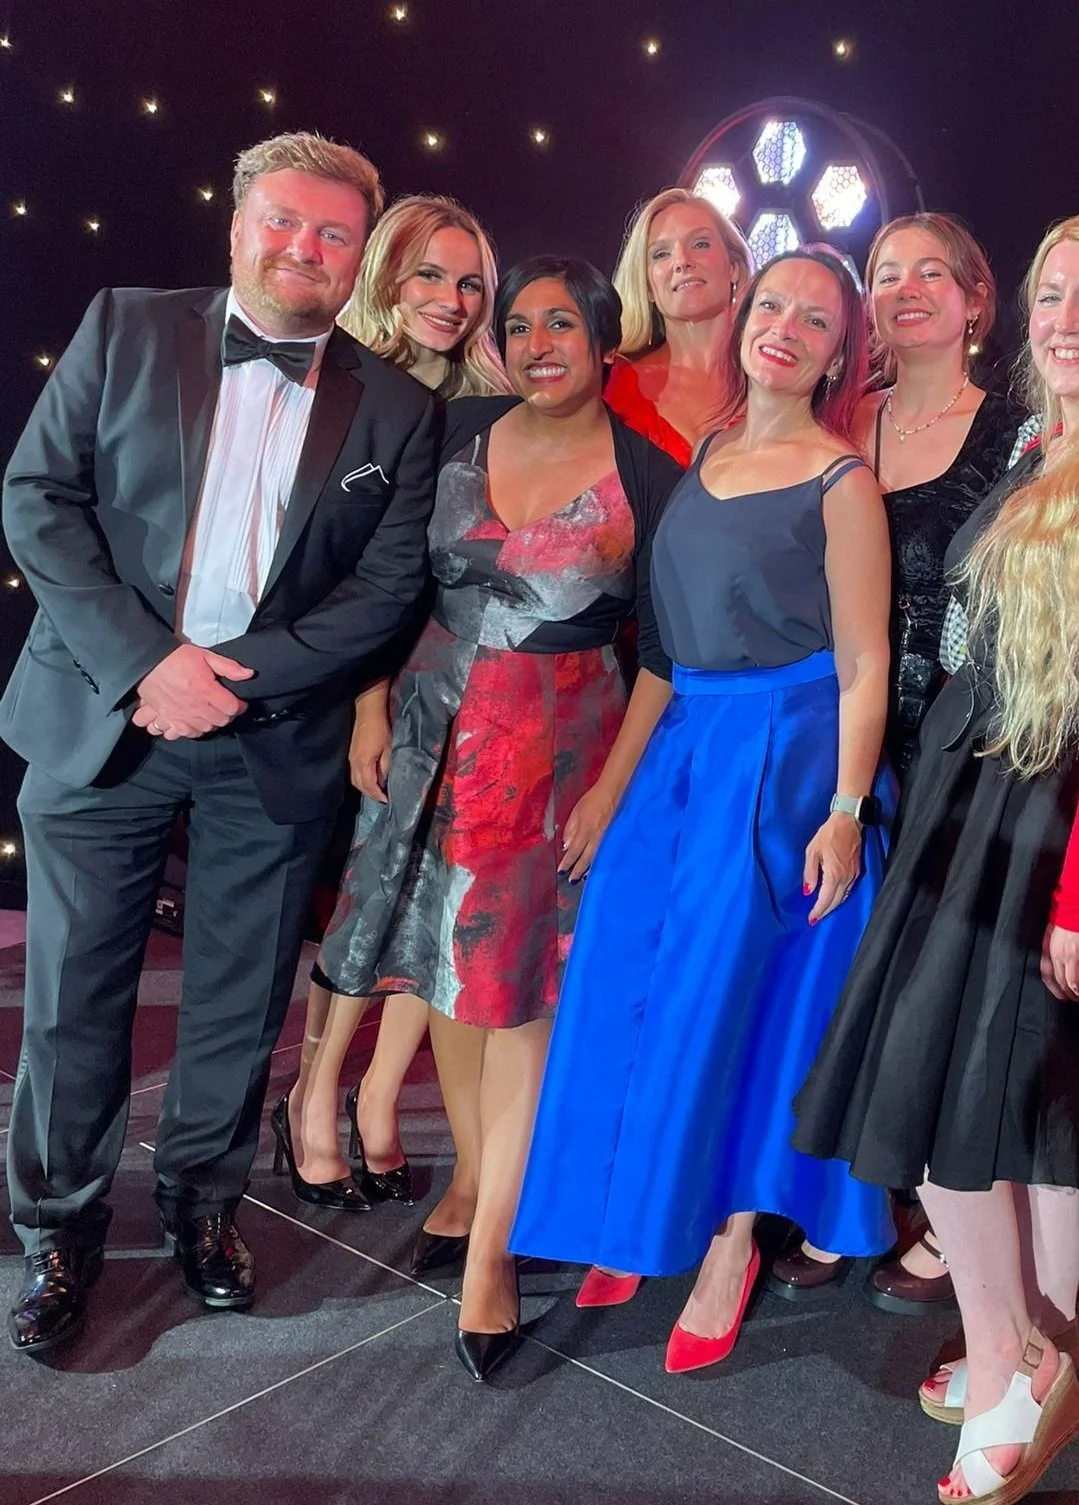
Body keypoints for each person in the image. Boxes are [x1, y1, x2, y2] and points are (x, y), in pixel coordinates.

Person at [794, 210, 1079, 1505]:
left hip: (1045, 815)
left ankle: (1007, 1364)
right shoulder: (1051, 443)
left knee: (942, 1104)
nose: (1068, 320)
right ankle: (1045, 1347)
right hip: (978, 794)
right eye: (1054, 295)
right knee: (1025, 1107)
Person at [3, 132, 437, 1353]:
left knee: (240, 1004)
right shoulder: (123, 326)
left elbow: (386, 591)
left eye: (334, 233)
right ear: (238, 223)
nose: (305, 247)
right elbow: (38, 499)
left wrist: (225, 683)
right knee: (72, 997)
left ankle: (203, 1206)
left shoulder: (400, 408)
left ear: (360, 256)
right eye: (284, 221)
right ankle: (59, 1225)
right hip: (105, 709)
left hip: (270, 735)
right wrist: (151, 666)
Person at [511, 247, 897, 1371]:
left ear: (838, 352)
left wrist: (844, 809)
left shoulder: (842, 481)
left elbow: (866, 661)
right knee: (628, 984)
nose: (785, 327)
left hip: (782, 758)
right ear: (743, 316)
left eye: (814, 319)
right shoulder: (711, 451)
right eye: (772, 304)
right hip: (683, 748)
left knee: (731, 1007)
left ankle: (728, 1246)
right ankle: (640, 1211)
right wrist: (615, 785)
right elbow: (668, 651)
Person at [313, 256, 682, 1380]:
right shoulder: (456, 429)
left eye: (562, 324)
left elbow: (665, 657)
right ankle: (477, 1181)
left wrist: (611, 789)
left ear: (605, 341)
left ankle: (493, 1257)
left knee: (518, 1000)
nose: (537, 345)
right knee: (446, 981)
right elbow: (389, 581)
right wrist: (369, 706)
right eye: (519, 327)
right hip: (429, 732)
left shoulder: (650, 472)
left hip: (560, 749)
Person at [770, 213, 1023, 1310]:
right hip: (828, 731)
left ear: (975, 299)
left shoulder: (1019, 429)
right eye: (886, 273)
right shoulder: (836, 419)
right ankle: (847, 1198)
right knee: (834, 966)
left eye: (933, 273)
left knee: (933, 978)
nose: (907, 288)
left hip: (957, 742)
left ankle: (945, 1203)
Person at [276, 193, 506, 1214]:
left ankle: (374, 1099)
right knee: (370, 895)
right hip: (363, 676)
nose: (451, 299)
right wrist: (370, 706)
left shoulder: (490, 397)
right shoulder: (343, 381)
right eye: (431, 276)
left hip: (463, 682)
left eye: (470, 283)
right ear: (386, 275)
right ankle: (311, 1095)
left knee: (428, 903)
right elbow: (353, 571)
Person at [606, 186, 752, 462]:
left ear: (734, 267)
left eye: (700, 244)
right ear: (647, 285)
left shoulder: (772, 377)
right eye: (661, 254)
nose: (682, 261)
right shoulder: (612, 386)